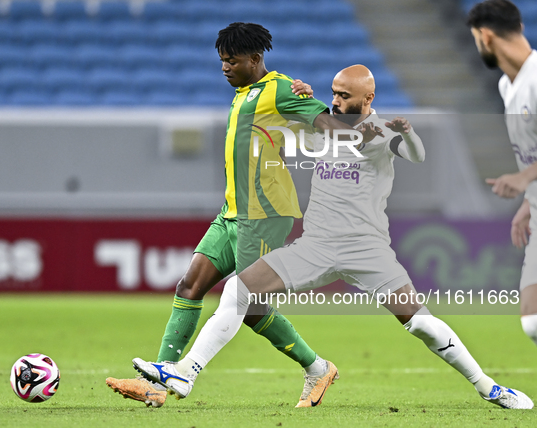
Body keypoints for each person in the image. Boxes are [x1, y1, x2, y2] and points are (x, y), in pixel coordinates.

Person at [132, 65, 534, 409]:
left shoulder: (379, 132)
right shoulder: (324, 127)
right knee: (239, 289)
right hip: (316, 245)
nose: (336, 101)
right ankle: (185, 373)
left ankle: (489, 387)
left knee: (422, 325)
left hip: (367, 249)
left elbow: (416, 154)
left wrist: (407, 133)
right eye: (333, 94)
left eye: (344, 96)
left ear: (368, 97)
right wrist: (297, 92)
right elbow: (282, 122)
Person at [106, 22, 381, 408]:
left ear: (255, 59)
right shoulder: (243, 93)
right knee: (190, 286)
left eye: (231, 61)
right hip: (232, 212)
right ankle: (160, 377)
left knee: (247, 303)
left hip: (265, 214)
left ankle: (309, 368)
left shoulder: (281, 90)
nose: (224, 68)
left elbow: (329, 125)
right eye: (221, 61)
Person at [467, 0, 537, 347]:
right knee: (533, 321)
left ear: (486, 36)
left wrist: (524, 180)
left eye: (476, 39)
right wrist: (528, 202)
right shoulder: (508, 87)